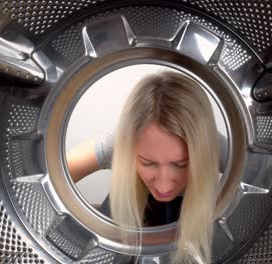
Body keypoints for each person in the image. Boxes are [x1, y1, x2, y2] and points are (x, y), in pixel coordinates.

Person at [67, 71, 223, 263]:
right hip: (134, 205)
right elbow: (61, 172)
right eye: (148, 162)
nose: (164, 186)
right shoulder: (120, 141)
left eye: (181, 164)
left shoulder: (215, 145)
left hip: (193, 208)